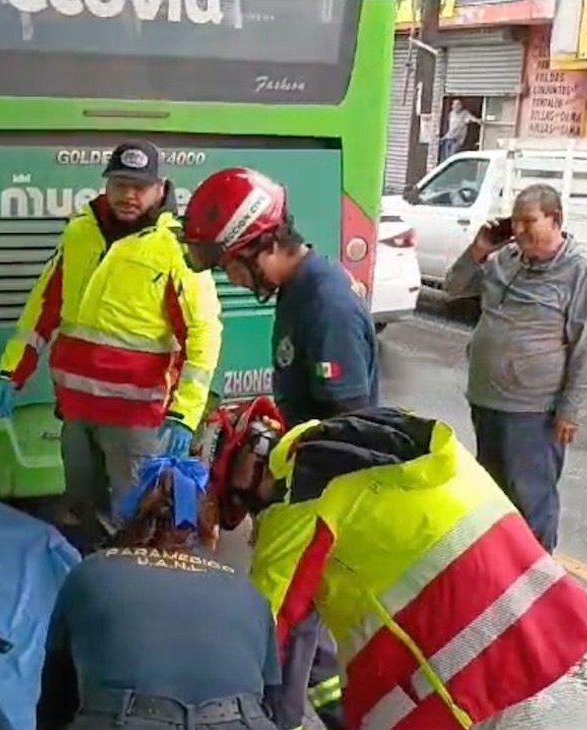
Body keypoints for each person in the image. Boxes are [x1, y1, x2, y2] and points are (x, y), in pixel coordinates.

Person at [204, 398, 587, 729]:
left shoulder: (299, 497)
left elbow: (261, 631)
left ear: (249, 474)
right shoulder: (359, 437)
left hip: (470, 656)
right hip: (531, 616)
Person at [181, 166, 379, 729]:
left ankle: (276, 720)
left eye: (231, 265)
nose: (233, 279)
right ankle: (341, 714)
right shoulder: (297, 293)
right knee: (310, 643)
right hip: (305, 494)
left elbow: (349, 429)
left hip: (322, 500)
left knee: (283, 631)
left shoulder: (325, 304)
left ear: (263, 245)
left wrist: (280, 478)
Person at [0, 140, 222, 533]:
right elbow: (43, 305)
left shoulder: (175, 248)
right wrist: (11, 370)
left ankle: (133, 587)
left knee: (135, 518)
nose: (129, 195)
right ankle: (91, 575)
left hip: (136, 420)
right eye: (120, 184)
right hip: (77, 410)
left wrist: (185, 412)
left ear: (160, 187)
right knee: (84, 511)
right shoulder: (80, 233)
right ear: (106, 186)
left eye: (140, 186)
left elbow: (203, 331)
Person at [37, 456, 279, 730]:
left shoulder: (91, 573)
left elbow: (55, 698)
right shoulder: (248, 593)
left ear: (132, 518)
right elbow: (275, 702)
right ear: (208, 528)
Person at [443, 183, 587, 553]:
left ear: (556, 220)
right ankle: (503, 582)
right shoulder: (505, 260)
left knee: (531, 504)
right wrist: (479, 250)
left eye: (529, 221)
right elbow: (454, 287)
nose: (519, 230)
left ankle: (538, 586)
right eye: (514, 221)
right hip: (488, 401)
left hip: (534, 411)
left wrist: (571, 411)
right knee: (493, 503)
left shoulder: (581, 272)